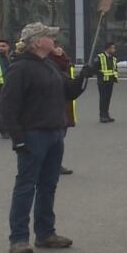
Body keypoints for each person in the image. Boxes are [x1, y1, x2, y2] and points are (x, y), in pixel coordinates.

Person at [0, 22, 96, 253]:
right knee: (26, 186)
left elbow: (69, 92)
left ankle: (45, 234)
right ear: (37, 42)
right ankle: (19, 239)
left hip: (55, 134)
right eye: (49, 37)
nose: (54, 40)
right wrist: (18, 138)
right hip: (33, 135)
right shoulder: (20, 68)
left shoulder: (50, 66)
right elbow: (6, 107)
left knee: (48, 186)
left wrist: (83, 75)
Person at [50, 42, 78, 175]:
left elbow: (71, 86)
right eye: (55, 47)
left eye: (60, 46)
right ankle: (53, 164)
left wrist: (82, 77)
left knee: (60, 137)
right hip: (55, 105)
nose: (59, 49)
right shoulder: (50, 63)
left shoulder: (65, 62)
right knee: (56, 138)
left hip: (66, 103)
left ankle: (56, 164)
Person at [96, 42, 118, 123]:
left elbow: (114, 69)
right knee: (103, 99)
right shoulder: (100, 57)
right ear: (108, 48)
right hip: (102, 82)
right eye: (112, 48)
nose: (114, 50)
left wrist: (115, 78)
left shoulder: (113, 58)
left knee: (108, 99)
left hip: (110, 81)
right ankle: (102, 116)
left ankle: (106, 115)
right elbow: (95, 68)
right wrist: (100, 75)